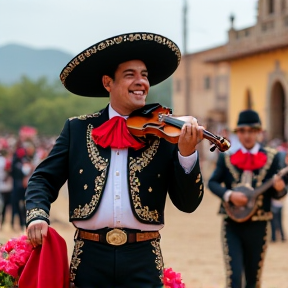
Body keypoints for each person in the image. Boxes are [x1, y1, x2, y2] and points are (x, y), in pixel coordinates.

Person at [25, 32, 205, 288]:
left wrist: (187, 154)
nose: (141, 81)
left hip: (143, 255)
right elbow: (42, 179)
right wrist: (37, 216)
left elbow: (187, 204)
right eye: (130, 74)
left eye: (144, 75)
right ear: (108, 83)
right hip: (89, 254)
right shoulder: (77, 129)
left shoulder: (163, 134)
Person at [208, 109, 287, 288]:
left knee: (253, 280)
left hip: (259, 225)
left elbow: (279, 193)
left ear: (259, 132)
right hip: (232, 225)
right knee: (234, 278)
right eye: (243, 131)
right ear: (238, 133)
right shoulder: (226, 158)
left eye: (252, 131)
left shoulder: (273, 158)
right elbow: (212, 182)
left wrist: (280, 189)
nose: (247, 136)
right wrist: (229, 195)